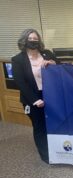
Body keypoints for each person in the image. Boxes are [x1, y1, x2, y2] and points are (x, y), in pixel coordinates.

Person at [12, 28, 59, 164]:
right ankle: (46, 155)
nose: (33, 41)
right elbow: (20, 83)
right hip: (32, 98)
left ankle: (57, 149)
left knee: (52, 124)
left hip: (50, 94)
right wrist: (35, 100)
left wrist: (53, 64)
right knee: (40, 126)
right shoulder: (18, 59)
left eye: (35, 39)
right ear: (24, 41)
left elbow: (61, 69)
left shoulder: (47, 53)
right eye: (30, 39)